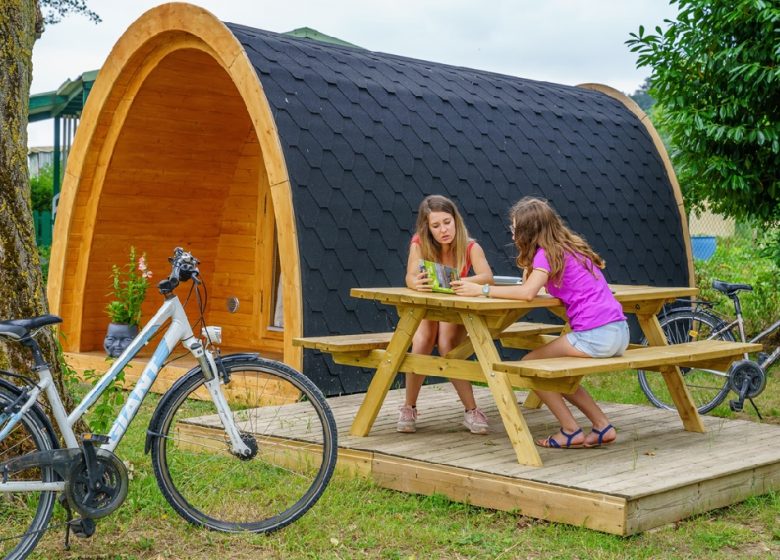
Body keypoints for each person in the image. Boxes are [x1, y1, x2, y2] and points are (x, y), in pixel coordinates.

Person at [452, 197, 628, 448]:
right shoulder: (571, 247)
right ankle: (602, 426)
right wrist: (529, 260)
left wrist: (482, 290)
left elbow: (527, 293)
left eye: (515, 229)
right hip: (619, 331)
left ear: (528, 232)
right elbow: (534, 283)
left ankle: (570, 430)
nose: (512, 234)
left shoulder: (546, 254)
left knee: (530, 365)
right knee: (552, 371)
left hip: (595, 335)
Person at [400, 195, 494, 434]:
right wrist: (415, 283)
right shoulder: (419, 244)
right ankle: (409, 407)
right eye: (436, 225)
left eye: (447, 222)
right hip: (428, 305)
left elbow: (487, 277)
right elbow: (410, 276)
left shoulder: (470, 246)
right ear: (427, 228)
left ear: (455, 220)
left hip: (454, 307)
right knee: (422, 340)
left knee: (447, 346)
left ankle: (471, 410)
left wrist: (463, 281)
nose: (443, 230)